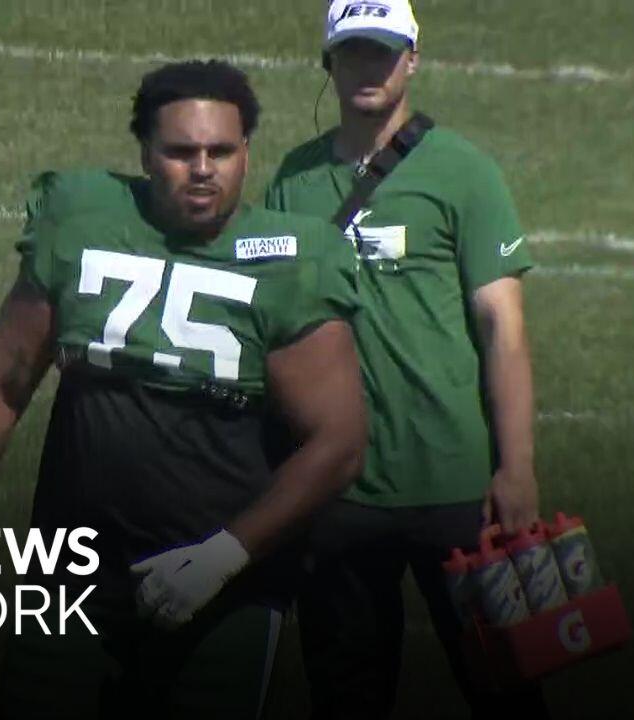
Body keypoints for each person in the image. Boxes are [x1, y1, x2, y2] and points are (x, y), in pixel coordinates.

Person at [0, 60, 367, 718]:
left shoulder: (290, 261)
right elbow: (5, 381)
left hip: (223, 588)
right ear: (146, 154)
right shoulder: (83, 220)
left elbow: (339, 443)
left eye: (220, 151)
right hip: (70, 574)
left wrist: (225, 555)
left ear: (246, 152)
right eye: (180, 152)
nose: (202, 169)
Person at [263, 1, 545, 716]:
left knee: (506, 690)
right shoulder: (293, 181)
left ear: (412, 60)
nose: (369, 67)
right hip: (337, 490)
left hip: (457, 487)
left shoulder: (464, 172)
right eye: (353, 51)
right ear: (328, 64)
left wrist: (516, 468)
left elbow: (504, 328)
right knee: (345, 698)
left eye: (383, 52)